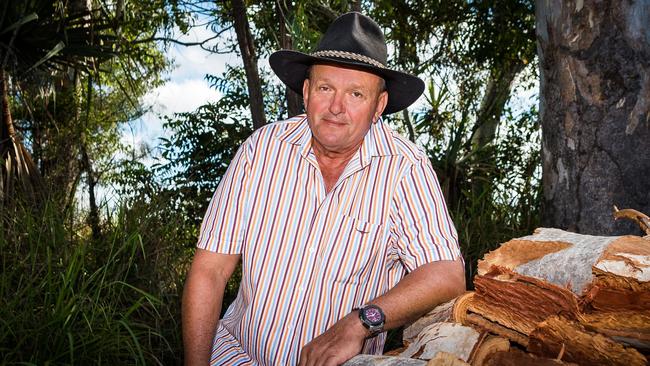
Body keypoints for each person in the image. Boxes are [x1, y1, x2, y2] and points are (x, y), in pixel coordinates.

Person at [182, 12, 465, 366]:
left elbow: (446, 274)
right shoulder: (263, 150)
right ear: (306, 91)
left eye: (356, 94)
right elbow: (210, 270)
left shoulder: (405, 168)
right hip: (235, 355)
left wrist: (360, 323)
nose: (335, 107)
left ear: (378, 106)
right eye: (325, 88)